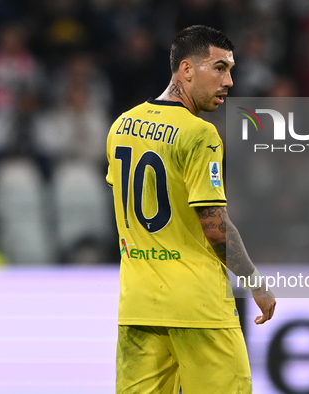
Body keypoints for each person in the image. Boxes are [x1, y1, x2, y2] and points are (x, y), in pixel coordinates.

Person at [105, 25, 276, 393]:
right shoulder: (199, 134)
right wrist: (255, 282)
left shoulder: (121, 126)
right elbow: (215, 227)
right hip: (198, 307)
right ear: (185, 69)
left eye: (230, 70)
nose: (228, 81)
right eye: (219, 68)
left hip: (138, 304)